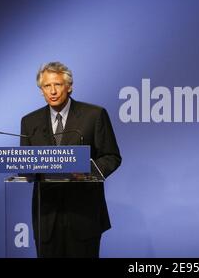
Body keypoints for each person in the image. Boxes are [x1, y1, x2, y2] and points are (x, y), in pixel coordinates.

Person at [20, 62, 122, 257]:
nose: (53, 91)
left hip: (83, 214)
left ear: (69, 86)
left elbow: (111, 156)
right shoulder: (29, 121)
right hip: (47, 217)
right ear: (41, 90)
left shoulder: (94, 115)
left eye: (57, 85)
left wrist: (85, 172)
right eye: (46, 86)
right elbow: (26, 164)